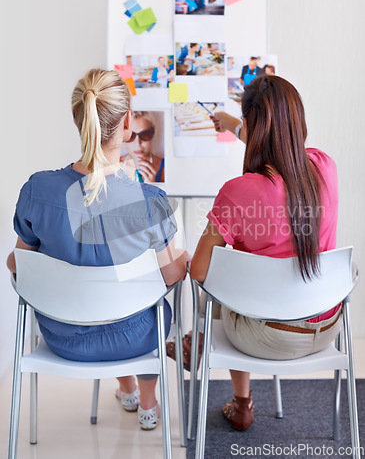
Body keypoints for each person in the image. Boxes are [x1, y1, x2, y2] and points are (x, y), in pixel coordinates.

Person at [6, 69, 188, 430]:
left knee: (108, 296)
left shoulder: (37, 191)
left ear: (79, 119)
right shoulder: (150, 202)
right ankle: (148, 403)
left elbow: (17, 262)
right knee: (148, 301)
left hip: (62, 338)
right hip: (134, 339)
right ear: (126, 124)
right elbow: (172, 275)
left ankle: (127, 390)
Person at [190, 75, 340, 431]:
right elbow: (282, 152)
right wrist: (236, 127)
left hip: (269, 337)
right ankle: (190, 346)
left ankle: (240, 400)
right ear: (299, 121)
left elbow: (198, 271)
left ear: (250, 126)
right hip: (326, 328)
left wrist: (242, 130)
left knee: (214, 286)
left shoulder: (237, 193)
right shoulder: (325, 167)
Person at [120, 111, 165, 182]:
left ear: (153, 132)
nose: (138, 143)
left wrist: (153, 185)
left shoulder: (165, 167)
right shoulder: (113, 167)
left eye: (145, 134)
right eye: (131, 136)